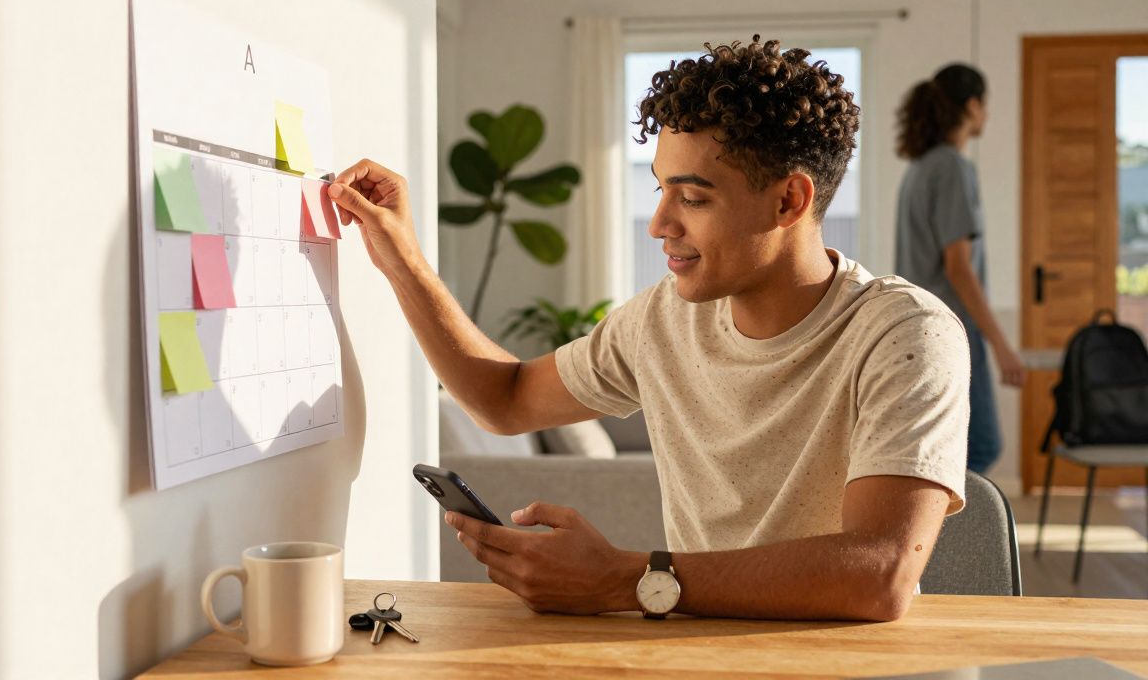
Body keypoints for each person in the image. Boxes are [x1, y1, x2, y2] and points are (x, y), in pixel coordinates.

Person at [328, 36, 968, 622]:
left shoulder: (905, 334)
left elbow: (878, 575)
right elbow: (506, 399)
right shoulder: (663, 319)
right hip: (687, 656)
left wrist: (627, 580)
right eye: (660, 189)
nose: (659, 223)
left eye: (692, 198)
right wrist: (402, 258)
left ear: (789, 201)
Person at [894, 64, 1025, 475]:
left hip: (919, 327)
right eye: (985, 104)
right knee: (980, 447)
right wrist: (1001, 345)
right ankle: (942, 521)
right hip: (951, 330)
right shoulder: (951, 167)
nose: (987, 114)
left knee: (945, 451)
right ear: (972, 106)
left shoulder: (920, 168)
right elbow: (959, 268)